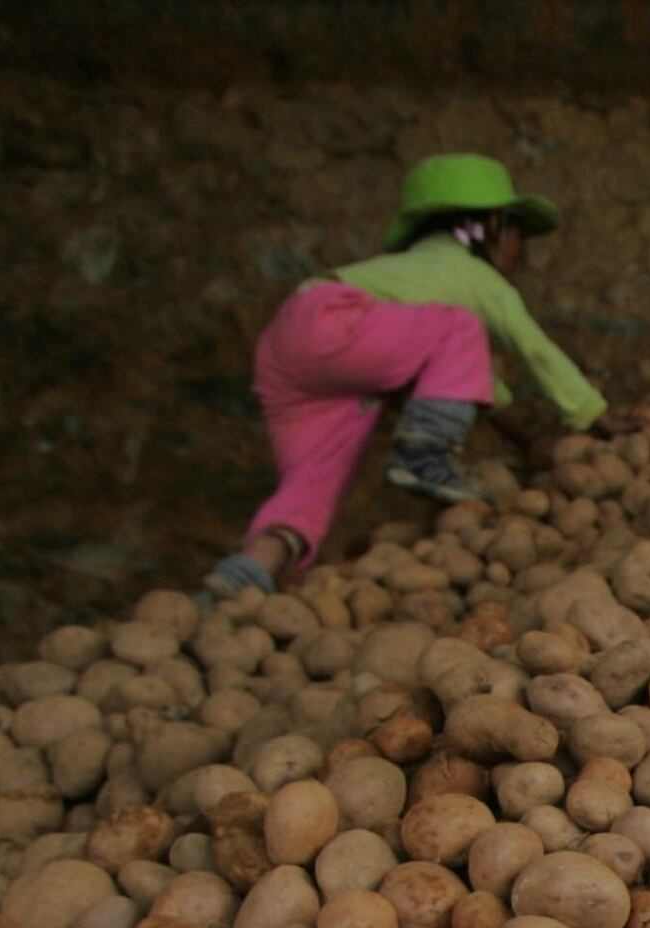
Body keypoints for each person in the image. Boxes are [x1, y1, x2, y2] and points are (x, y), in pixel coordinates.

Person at [200, 154, 613, 603]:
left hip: (289, 347)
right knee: (461, 327)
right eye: (520, 237)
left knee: (312, 489)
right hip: (334, 316)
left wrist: (523, 438)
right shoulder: (473, 276)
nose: (523, 257)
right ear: (493, 226)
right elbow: (536, 351)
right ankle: (423, 455)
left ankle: (241, 577)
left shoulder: (411, 285)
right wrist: (594, 416)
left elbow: (472, 383)